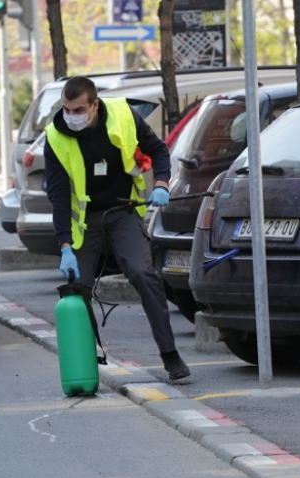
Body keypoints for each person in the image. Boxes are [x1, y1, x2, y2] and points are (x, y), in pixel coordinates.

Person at [43, 76, 190, 381]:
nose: (71, 116)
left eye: (78, 109)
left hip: (122, 210)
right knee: (76, 288)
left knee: (142, 272)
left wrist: (162, 184)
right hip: (84, 221)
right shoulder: (55, 137)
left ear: (94, 105)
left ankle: (170, 355)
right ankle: (85, 365)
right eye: (66, 109)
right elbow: (58, 195)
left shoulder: (124, 115)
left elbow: (158, 150)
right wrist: (65, 247)